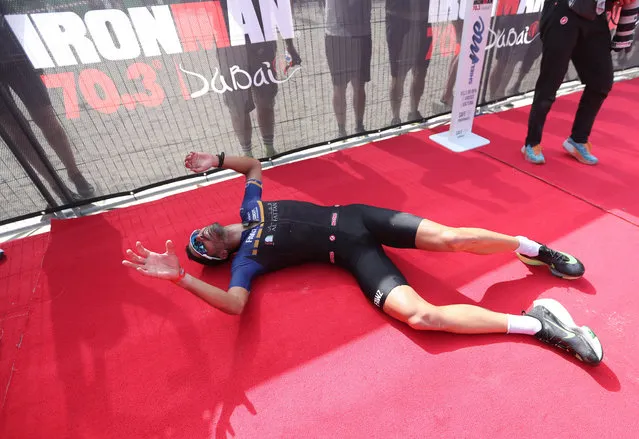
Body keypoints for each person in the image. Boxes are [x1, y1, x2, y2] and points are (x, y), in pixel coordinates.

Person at [123, 153, 604, 366]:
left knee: (453, 238)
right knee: (421, 316)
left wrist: (219, 158)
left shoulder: (250, 206)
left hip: (359, 218)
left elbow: (253, 167)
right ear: (219, 256)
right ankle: (540, 325)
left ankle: (536, 250)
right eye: (201, 249)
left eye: (197, 238)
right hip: (351, 252)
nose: (202, 239)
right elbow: (234, 306)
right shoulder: (245, 260)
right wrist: (182, 277)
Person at [521, 0, 638, 165]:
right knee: (551, 81)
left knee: (601, 81)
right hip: (564, 9)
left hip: (595, 15)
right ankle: (531, 143)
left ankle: (578, 140)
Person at [323, 0, 372, 137]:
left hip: (362, 31)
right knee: (339, 86)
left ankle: (359, 126)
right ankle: (341, 130)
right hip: (336, 33)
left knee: (359, 84)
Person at [385, 0, 432, 125]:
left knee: (421, 70)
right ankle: (396, 118)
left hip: (424, 19)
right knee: (398, 74)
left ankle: (414, 112)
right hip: (399, 19)